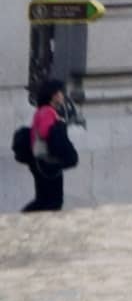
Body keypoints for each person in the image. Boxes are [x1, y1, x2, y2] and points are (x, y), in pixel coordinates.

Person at [13, 83, 76, 212]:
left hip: (43, 161)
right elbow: (44, 132)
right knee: (52, 200)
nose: (62, 96)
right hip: (47, 161)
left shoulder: (44, 111)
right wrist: (58, 127)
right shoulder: (47, 112)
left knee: (45, 198)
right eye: (60, 93)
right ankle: (23, 219)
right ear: (53, 96)